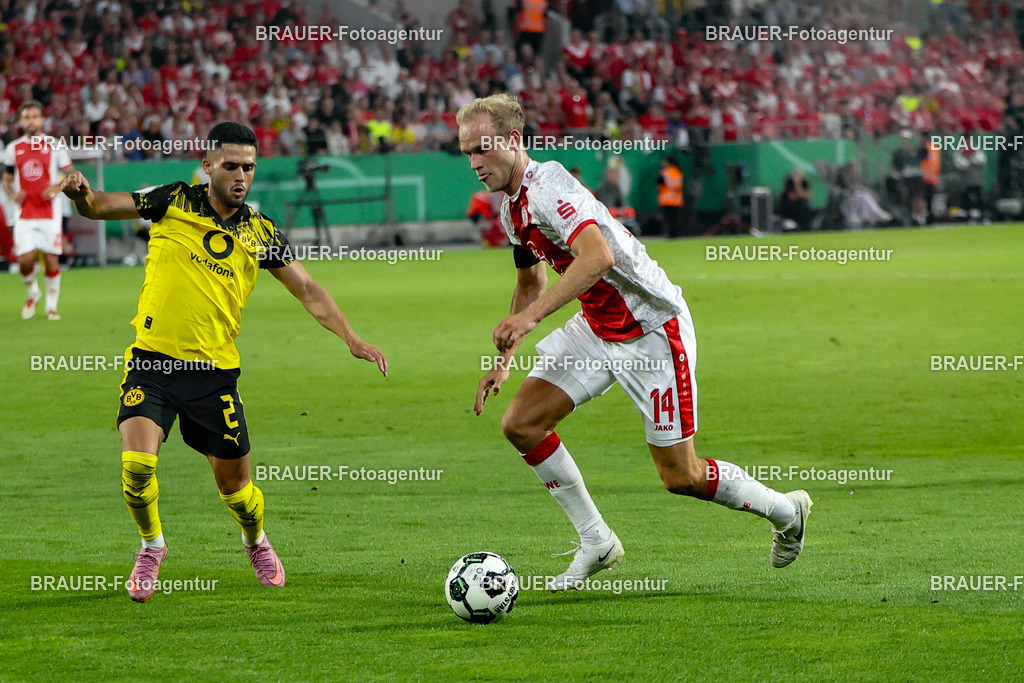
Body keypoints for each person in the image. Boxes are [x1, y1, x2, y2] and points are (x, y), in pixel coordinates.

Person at [458, 94, 811, 591]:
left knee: (681, 477)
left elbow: (597, 257)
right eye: (466, 153)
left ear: (513, 141)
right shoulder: (510, 210)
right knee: (522, 424)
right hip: (597, 326)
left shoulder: (549, 186)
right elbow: (531, 283)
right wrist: (504, 359)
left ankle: (786, 511)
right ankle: (596, 541)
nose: (474, 162)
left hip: (651, 329)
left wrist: (529, 319)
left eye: (482, 148)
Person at [60, 122, 389, 602]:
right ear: (208, 164)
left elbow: (308, 289)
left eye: (249, 167)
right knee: (136, 467)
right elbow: (102, 205)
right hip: (152, 362)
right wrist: (81, 194)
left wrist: (352, 339)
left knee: (237, 490)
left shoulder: (260, 230)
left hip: (213, 375)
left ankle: (255, 541)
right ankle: (152, 546)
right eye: (231, 165)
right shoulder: (173, 199)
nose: (241, 176)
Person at [3, 100, 75, 320]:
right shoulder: (13, 148)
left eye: (34, 116)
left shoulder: (55, 145)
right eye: (26, 117)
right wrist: (12, 193)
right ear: (21, 121)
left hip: (49, 213)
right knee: (24, 260)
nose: (30, 121)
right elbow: (7, 179)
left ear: (42, 119)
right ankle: (34, 292)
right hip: (24, 212)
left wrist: (56, 186)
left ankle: (51, 307)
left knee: (51, 259)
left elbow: (71, 174)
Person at [657, 155, 684, 237]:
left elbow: (660, 184)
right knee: (675, 218)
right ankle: (676, 234)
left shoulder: (666, 172)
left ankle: (671, 234)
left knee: (669, 219)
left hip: (667, 199)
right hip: (676, 199)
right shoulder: (677, 172)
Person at [780, 167, 813, 231]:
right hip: (789, 207)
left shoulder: (804, 182)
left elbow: (806, 195)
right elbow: (791, 196)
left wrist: (798, 184)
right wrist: (796, 183)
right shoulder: (789, 182)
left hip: (801, 208)